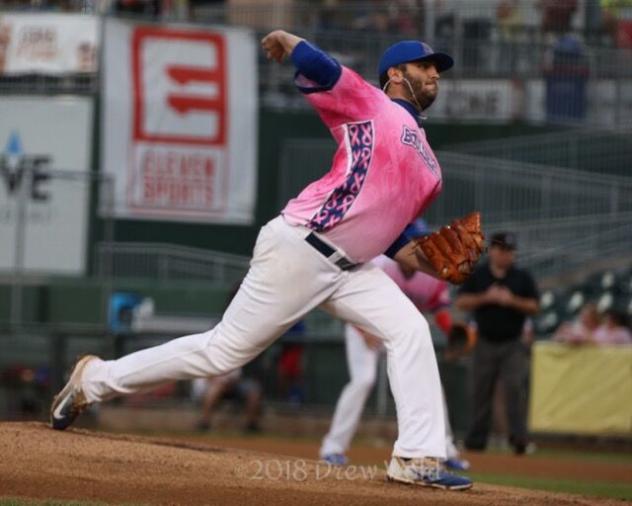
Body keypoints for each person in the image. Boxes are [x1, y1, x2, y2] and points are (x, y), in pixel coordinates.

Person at [50, 29, 473, 490]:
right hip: (301, 247)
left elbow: (395, 241)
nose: (434, 73)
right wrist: (291, 41)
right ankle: (94, 380)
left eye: (438, 69)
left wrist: (441, 265)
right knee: (221, 352)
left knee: (410, 329)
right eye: (425, 65)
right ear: (396, 73)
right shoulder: (372, 105)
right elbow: (326, 70)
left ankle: (416, 456)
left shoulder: (431, 166)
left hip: (354, 269)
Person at [319, 221, 470, 472]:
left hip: (401, 334)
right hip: (364, 328)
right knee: (363, 380)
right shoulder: (380, 265)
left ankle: (446, 449)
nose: (420, 245)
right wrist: (363, 330)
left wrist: (451, 332)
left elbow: (439, 307)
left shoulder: (431, 273)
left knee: (430, 382)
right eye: (414, 240)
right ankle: (332, 448)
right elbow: (349, 295)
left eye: (423, 240)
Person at [455, 232, 539, 455]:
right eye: (502, 250)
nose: (505, 255)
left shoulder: (522, 277)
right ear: (492, 250)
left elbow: (534, 306)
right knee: (480, 391)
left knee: (514, 389)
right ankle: (475, 441)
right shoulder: (479, 275)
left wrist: (512, 301)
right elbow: (461, 301)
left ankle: (519, 440)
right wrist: (487, 297)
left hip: (513, 342)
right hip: (484, 340)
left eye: (510, 251)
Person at [193, 368, 263, 433]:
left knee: (253, 390)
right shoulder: (210, 359)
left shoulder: (233, 357)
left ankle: (251, 424)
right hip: (214, 387)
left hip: (234, 386)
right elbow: (208, 379)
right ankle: (205, 423)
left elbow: (237, 377)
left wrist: (229, 384)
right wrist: (220, 383)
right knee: (214, 390)